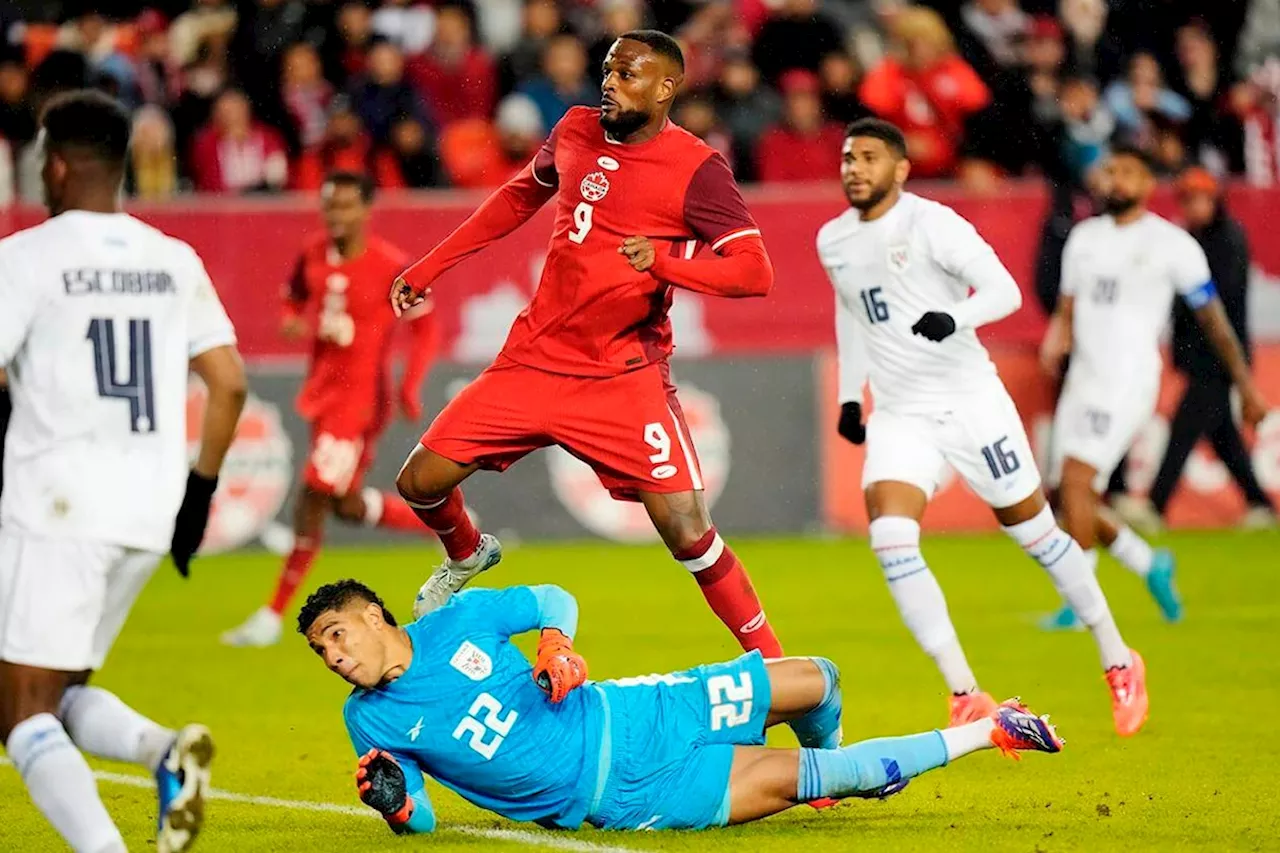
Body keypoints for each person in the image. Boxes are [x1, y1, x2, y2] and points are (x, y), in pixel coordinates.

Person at [389, 31, 785, 662]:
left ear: (665, 89)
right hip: (533, 360)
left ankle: (777, 667)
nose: (609, 82)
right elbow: (517, 197)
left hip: (622, 375)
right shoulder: (574, 130)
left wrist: (664, 264)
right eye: (607, 70)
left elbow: (753, 272)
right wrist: (430, 266)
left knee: (689, 533)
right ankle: (467, 552)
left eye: (628, 74)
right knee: (419, 484)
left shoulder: (698, 169)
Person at [819, 118, 1147, 737]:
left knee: (1038, 537)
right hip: (900, 411)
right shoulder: (833, 239)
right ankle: (966, 693)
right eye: (847, 158)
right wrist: (847, 395)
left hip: (971, 403)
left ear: (900, 169)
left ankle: (1117, 655)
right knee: (890, 538)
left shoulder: (932, 223)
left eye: (868, 157)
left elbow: (1005, 292)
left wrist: (955, 316)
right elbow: (851, 312)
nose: (854, 168)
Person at [300, 578, 1063, 835]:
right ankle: (992, 730)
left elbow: (552, 597)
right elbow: (424, 818)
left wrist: (555, 645)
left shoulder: (458, 620)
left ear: (374, 616)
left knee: (817, 679)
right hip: (632, 796)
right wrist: (396, 806)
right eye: (321, 651)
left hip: (642, 713)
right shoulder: (369, 720)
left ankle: (838, 773)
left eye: (336, 634)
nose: (333, 655)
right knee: (823, 771)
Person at [0, 90, 247, 853]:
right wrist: (198, 496)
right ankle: (164, 751)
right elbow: (229, 381)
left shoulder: (27, 256)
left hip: (59, 505)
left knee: (20, 712)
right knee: (60, 687)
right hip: (147, 507)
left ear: (60, 165)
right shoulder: (173, 259)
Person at [1040, 147, 1270, 629]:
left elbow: (1215, 320)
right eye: (1111, 172)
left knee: (1080, 482)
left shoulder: (1172, 245)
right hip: (1083, 377)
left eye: (1128, 173)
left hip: (1128, 381)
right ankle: (1150, 564)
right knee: (1069, 494)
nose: (1116, 181)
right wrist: (1057, 336)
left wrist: (1246, 387)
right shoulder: (1083, 238)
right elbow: (1067, 303)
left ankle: (1083, 605)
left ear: (1148, 185)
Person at [222, 171, 438, 648]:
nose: (335, 217)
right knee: (345, 504)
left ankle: (272, 614)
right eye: (329, 207)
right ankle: (447, 527)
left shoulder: (390, 265)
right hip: (324, 394)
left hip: (359, 402)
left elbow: (426, 327)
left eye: (344, 207)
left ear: (366, 209)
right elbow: (292, 297)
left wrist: (411, 384)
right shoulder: (313, 254)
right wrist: (293, 321)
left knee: (312, 496)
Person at [1118, 167, 1276, 531]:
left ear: (1214, 201)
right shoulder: (1191, 240)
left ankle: (1156, 506)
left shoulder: (1227, 239)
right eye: (1187, 199)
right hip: (1198, 355)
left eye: (1199, 199)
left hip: (1220, 358)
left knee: (1184, 428)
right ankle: (1260, 504)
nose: (1192, 206)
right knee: (1222, 436)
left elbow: (1215, 302)